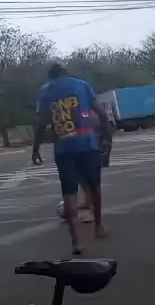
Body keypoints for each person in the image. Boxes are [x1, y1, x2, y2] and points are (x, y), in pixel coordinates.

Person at [33, 60, 112, 255]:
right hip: (88, 144)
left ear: (51, 77)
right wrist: (107, 138)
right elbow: (102, 114)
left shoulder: (45, 92)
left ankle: (76, 241)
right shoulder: (82, 85)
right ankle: (98, 226)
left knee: (69, 194)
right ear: (66, 73)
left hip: (64, 148)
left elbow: (41, 124)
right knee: (94, 187)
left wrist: (36, 148)